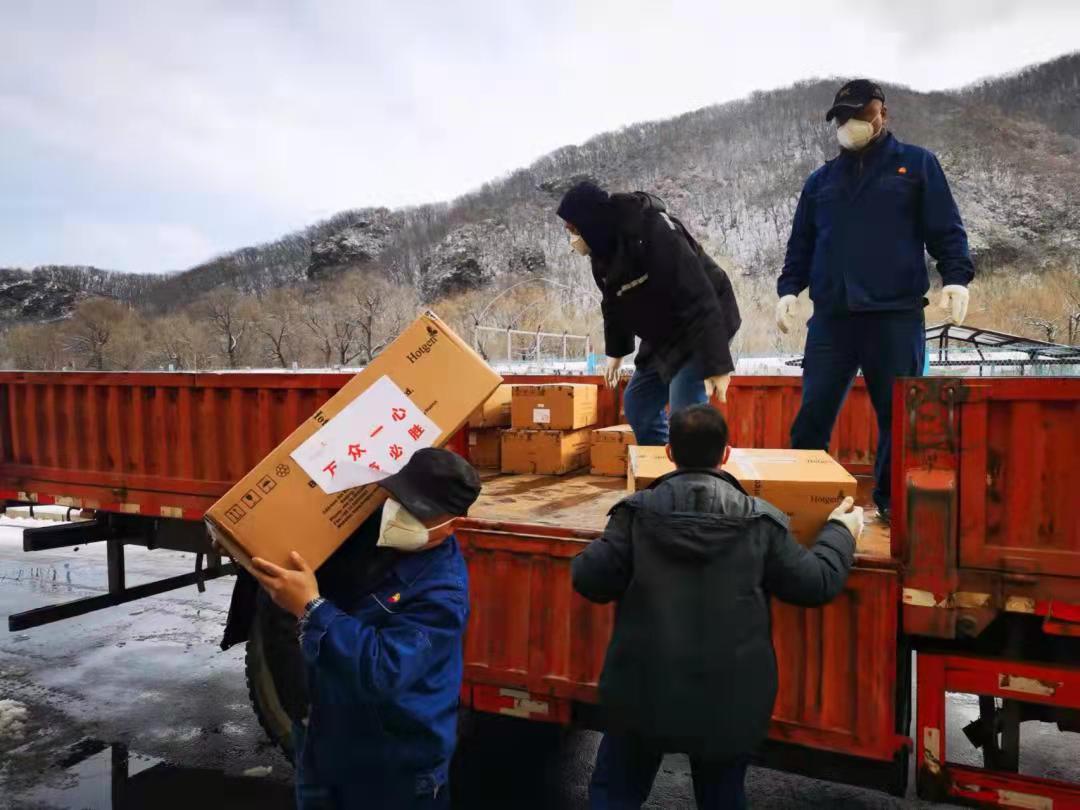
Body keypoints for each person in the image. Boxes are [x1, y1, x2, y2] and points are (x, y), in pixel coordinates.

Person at [572, 404, 863, 810]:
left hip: (642, 695)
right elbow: (816, 583)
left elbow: (588, 578)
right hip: (729, 704)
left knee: (615, 794)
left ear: (669, 452)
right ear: (726, 453)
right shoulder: (762, 522)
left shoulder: (636, 514)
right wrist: (840, 531)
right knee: (722, 797)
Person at [776, 79, 975, 519]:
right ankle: (805, 503)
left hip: (894, 315)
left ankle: (889, 504)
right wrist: (788, 289)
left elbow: (946, 228)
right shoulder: (821, 181)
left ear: (882, 113)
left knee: (898, 418)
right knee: (812, 414)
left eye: (859, 115)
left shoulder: (916, 165)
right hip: (832, 319)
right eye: (842, 118)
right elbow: (801, 245)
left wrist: (956, 278)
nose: (850, 124)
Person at [247, 448, 482, 809]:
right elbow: (284, 588)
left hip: (394, 764)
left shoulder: (442, 592)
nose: (399, 514)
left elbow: (384, 669)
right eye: (398, 500)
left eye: (418, 512)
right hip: (324, 744)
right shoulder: (364, 533)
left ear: (452, 524)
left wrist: (311, 607)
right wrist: (246, 542)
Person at [557, 181, 741, 445]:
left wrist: (718, 363)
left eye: (574, 230)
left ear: (590, 222)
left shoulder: (654, 231)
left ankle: (695, 468)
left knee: (686, 417)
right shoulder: (602, 254)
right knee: (639, 404)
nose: (573, 238)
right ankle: (660, 464)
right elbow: (613, 304)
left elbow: (700, 294)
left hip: (701, 324)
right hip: (664, 331)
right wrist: (616, 353)